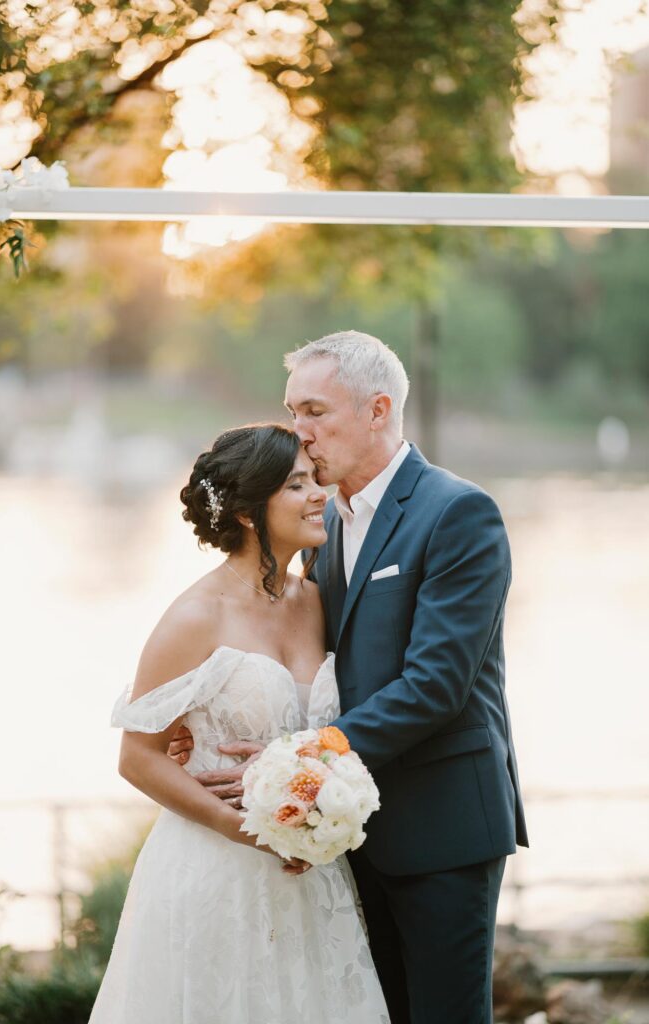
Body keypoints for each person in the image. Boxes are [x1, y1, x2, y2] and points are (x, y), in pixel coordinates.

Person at [171, 331, 529, 1024]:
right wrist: (209, 723)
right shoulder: (322, 523)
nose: (297, 435)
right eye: (291, 410)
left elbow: (436, 685)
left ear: (377, 409)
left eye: (313, 411)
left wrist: (291, 760)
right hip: (342, 829)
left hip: (441, 824)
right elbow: (302, 661)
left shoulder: (458, 514)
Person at [88, 423, 391, 1024]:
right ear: (251, 513)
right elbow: (138, 756)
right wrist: (241, 828)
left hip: (310, 875)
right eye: (297, 485)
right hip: (216, 870)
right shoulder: (196, 616)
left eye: (314, 481)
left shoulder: (316, 600)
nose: (318, 496)